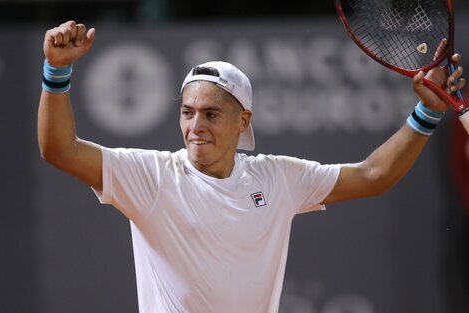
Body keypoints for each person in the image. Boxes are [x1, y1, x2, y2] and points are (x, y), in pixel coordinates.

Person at [38, 21, 466, 313]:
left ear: (244, 121)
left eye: (210, 114)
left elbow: (374, 176)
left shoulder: (275, 177)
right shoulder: (150, 176)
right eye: (187, 112)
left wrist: (425, 114)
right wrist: (57, 71)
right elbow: (59, 150)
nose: (194, 126)